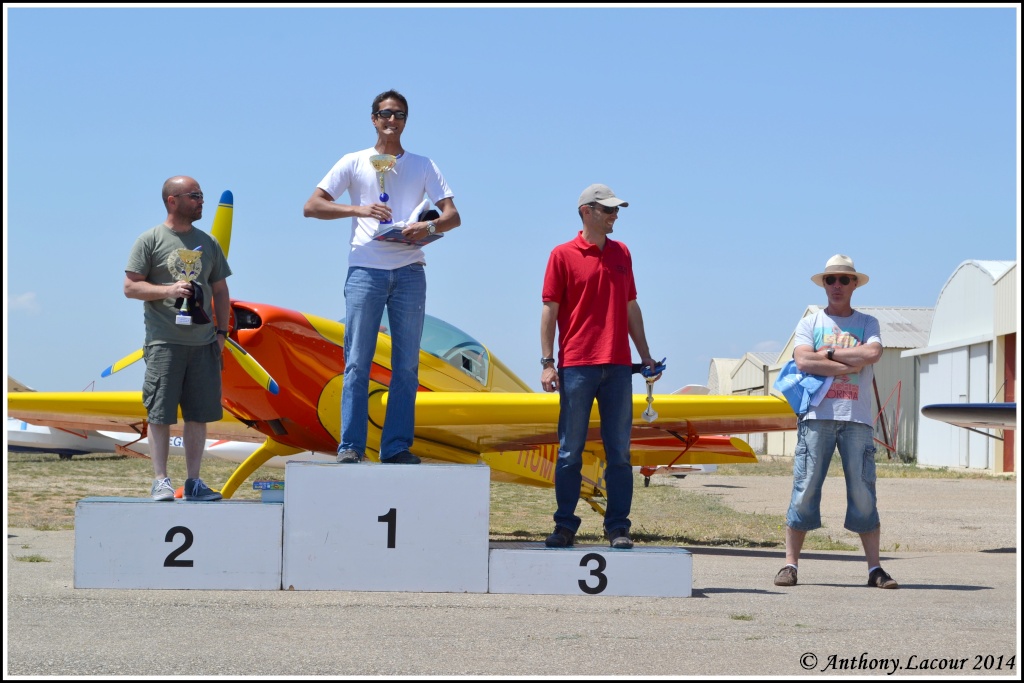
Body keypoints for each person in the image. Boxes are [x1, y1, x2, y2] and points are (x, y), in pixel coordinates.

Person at [303, 89, 460, 465]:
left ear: (407, 121)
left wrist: (428, 229)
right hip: (365, 269)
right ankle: (351, 446)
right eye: (386, 114)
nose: (393, 121)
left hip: (409, 270)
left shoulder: (423, 164)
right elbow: (312, 206)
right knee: (357, 360)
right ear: (373, 118)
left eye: (400, 115)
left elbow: (453, 216)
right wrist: (359, 209)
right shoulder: (353, 161)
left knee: (406, 366)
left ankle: (395, 448)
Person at [540, 183, 659, 550]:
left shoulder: (623, 253)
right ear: (586, 211)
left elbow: (630, 307)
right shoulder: (561, 255)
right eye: (608, 210)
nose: (615, 216)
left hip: (620, 368)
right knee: (569, 451)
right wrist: (547, 363)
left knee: (619, 452)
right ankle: (564, 526)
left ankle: (618, 527)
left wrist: (647, 355)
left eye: (615, 210)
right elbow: (550, 311)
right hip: (576, 366)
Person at [773, 254, 898, 589]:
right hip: (816, 417)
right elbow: (801, 359)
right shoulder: (811, 322)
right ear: (824, 285)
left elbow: (872, 354)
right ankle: (790, 565)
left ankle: (875, 569)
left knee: (863, 492)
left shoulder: (868, 322)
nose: (838, 285)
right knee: (805, 487)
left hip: (857, 420)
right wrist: (847, 363)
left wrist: (825, 356)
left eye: (845, 279)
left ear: (855, 284)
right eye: (831, 280)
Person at [124, 176, 232, 501]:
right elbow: (131, 287)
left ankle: (195, 482)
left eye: (201, 196)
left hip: (203, 344)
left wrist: (222, 333)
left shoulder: (208, 243)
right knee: (160, 413)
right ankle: (160, 480)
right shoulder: (150, 240)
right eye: (194, 195)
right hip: (164, 343)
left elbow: (221, 290)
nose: (201, 201)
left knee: (199, 414)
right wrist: (168, 290)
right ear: (172, 200)